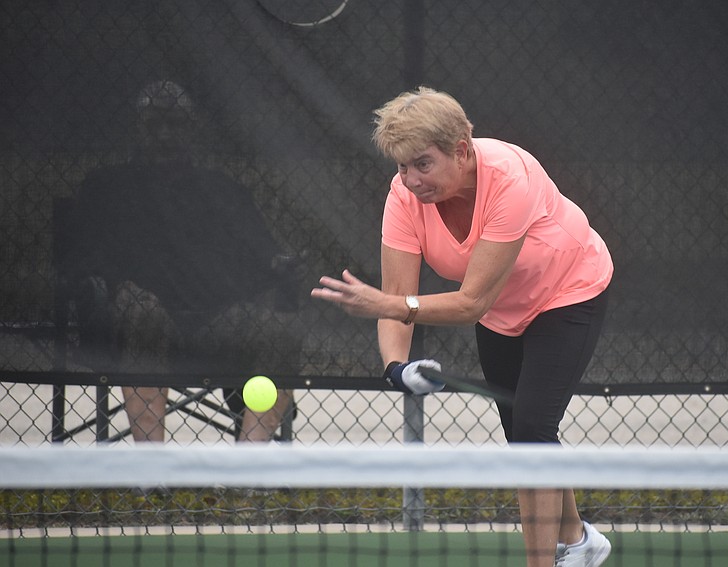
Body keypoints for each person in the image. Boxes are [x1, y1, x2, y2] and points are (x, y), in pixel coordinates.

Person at [311, 87, 613, 567]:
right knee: (523, 433)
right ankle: (581, 542)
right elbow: (399, 296)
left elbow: (468, 303)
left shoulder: (509, 178)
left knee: (534, 427)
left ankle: (547, 562)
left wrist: (385, 304)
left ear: (463, 151)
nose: (410, 179)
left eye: (422, 164)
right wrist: (396, 368)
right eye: (401, 166)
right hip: (502, 311)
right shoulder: (404, 198)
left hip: (568, 291)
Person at [62, 80, 300, 443]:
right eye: (154, 123)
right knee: (145, 315)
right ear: (137, 127)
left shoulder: (223, 190)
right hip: (132, 325)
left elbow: (262, 254)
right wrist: (118, 288)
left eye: (174, 123)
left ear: (191, 129)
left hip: (215, 322)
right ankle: (153, 472)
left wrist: (277, 265)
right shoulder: (105, 187)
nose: (164, 133)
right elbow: (82, 258)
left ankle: (250, 466)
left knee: (278, 330)